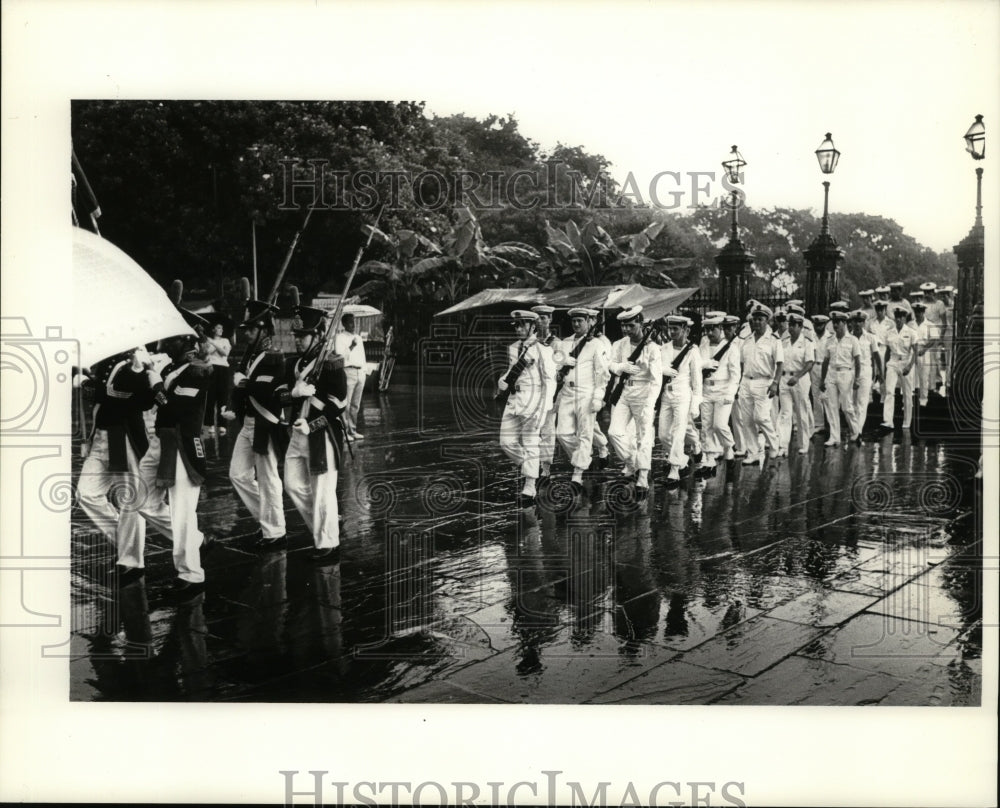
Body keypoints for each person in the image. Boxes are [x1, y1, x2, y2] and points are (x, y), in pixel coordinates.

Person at [134, 316, 213, 599]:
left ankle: (191, 575)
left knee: (182, 512)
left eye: (173, 337)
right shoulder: (172, 367)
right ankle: (197, 540)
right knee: (138, 499)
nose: (167, 341)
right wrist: (143, 372)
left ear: (188, 339)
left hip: (182, 445)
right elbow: (148, 402)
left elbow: (175, 409)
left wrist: (157, 385)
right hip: (161, 442)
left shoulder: (197, 369)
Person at [77, 349, 155, 586]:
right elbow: (100, 400)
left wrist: (94, 387)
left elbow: (139, 397)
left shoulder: (137, 362)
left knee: (131, 498)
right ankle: (126, 542)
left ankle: (132, 561)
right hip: (101, 437)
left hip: (124, 437)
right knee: (86, 493)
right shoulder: (103, 361)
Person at [282, 306, 348, 561]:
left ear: (318, 335)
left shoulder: (331, 363)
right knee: (293, 485)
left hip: (322, 434)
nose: (298, 339)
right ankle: (327, 525)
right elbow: (283, 395)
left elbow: (339, 404)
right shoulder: (296, 364)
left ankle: (328, 544)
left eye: (304, 335)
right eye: (297, 335)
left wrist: (314, 425)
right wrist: (295, 393)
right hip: (298, 432)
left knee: (322, 492)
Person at [225, 300, 288, 550]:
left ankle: (275, 532)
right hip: (248, 422)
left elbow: (266, 390)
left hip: (265, 424)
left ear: (263, 329)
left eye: (251, 329)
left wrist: (243, 384)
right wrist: (232, 405)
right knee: (237, 475)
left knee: (268, 479)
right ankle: (267, 519)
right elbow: (243, 386)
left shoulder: (273, 356)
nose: (247, 333)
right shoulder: (251, 354)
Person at [498, 310, 553, 505]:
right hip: (514, 400)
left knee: (530, 443)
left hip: (534, 401)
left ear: (532, 326)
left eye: (522, 325)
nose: (519, 329)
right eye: (516, 326)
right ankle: (532, 467)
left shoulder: (542, 349)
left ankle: (530, 485)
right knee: (505, 442)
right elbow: (511, 371)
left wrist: (544, 408)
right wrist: (502, 380)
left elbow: (550, 381)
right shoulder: (513, 348)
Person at [606, 306, 661, 494]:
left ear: (640, 323)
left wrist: (651, 402)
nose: (626, 330)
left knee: (644, 436)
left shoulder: (652, 347)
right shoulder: (620, 344)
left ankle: (643, 475)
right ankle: (632, 462)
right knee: (614, 432)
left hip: (644, 392)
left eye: (631, 325)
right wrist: (622, 367)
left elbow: (657, 380)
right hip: (624, 391)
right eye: (624, 326)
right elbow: (611, 365)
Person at [554, 307, 607, 496]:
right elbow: (555, 368)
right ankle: (585, 459)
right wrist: (561, 363)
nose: (576, 324)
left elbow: (602, 373)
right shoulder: (565, 343)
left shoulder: (596, 344)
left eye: (580, 321)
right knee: (562, 434)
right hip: (568, 392)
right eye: (574, 321)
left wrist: (598, 397)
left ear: (589, 322)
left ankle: (577, 473)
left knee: (585, 434)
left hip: (586, 392)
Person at [735, 303, 782, 465]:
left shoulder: (774, 340)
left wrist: (775, 383)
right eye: (754, 319)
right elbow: (741, 363)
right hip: (746, 381)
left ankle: (774, 444)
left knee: (761, 417)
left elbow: (780, 363)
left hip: (764, 382)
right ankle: (753, 453)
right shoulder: (746, 340)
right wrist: (740, 381)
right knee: (746, 420)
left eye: (760, 319)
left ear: (767, 321)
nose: (756, 322)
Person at [658, 314, 702, 482]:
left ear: (685, 330)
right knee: (663, 435)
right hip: (666, 395)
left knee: (679, 432)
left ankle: (675, 469)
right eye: (670, 328)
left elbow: (697, 381)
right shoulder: (664, 348)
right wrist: (663, 369)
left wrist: (695, 404)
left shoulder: (692, 351)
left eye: (675, 329)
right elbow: (656, 368)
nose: (672, 332)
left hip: (683, 395)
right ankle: (683, 457)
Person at [698, 314, 741, 472]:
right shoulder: (703, 345)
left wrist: (731, 393)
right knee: (706, 425)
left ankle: (729, 446)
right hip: (706, 389)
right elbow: (696, 365)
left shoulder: (731, 348)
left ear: (721, 328)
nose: (710, 333)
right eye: (707, 329)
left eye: (713, 329)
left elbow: (735, 375)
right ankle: (709, 458)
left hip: (723, 390)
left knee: (719, 424)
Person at [819, 311, 861, 446]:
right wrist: (822, 379)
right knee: (832, 407)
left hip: (846, 374)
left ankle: (856, 431)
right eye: (834, 322)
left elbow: (858, 361)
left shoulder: (853, 340)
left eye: (838, 322)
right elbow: (825, 361)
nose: (835, 325)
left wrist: (857, 379)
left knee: (847, 406)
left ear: (845, 323)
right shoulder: (830, 340)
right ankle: (834, 436)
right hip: (832, 374)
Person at [777, 312, 815, 455]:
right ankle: (783, 446)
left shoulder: (807, 342)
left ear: (800, 327)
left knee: (801, 413)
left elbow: (809, 363)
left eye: (794, 325)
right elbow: (779, 361)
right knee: (785, 413)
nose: (791, 328)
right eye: (790, 325)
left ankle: (804, 444)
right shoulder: (783, 342)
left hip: (800, 379)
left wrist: (798, 377)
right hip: (785, 378)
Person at [530, 305, 559, 483]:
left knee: (548, 429)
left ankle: (545, 468)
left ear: (550, 320)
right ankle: (532, 465)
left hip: (549, 390)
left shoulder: (556, 343)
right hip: (531, 391)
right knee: (532, 430)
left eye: (544, 317)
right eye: (537, 318)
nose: (540, 321)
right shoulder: (529, 341)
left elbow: (560, 366)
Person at [881, 305, 918, 430]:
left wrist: (910, 366)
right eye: (897, 317)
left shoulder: (911, 332)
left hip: (906, 362)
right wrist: (884, 368)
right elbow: (887, 351)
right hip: (892, 362)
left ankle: (906, 423)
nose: (898, 319)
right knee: (889, 391)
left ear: (905, 318)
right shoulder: (889, 332)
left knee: (907, 394)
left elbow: (916, 351)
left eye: (901, 317)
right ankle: (888, 421)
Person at [334, 313, 368, 440]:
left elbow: (362, 356)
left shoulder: (358, 337)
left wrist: (364, 370)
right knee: (346, 404)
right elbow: (339, 355)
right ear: (344, 324)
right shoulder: (340, 337)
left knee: (355, 404)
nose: (353, 325)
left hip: (360, 372)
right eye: (350, 322)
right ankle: (344, 432)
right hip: (348, 371)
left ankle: (352, 430)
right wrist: (351, 346)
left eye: (354, 322)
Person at [849, 310, 881, 437]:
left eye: (860, 321)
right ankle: (855, 428)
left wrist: (880, 373)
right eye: (855, 321)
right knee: (850, 403)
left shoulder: (870, 337)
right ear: (852, 322)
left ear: (864, 323)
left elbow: (876, 356)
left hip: (865, 371)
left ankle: (858, 431)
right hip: (850, 371)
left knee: (862, 402)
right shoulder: (848, 337)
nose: (857, 324)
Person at [588, 310, 613, 470]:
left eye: (591, 319)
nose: (589, 322)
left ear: (595, 320)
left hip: (596, 387)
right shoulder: (582, 339)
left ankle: (596, 451)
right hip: (580, 386)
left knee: (588, 422)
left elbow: (606, 369)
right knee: (589, 423)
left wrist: (603, 394)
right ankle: (600, 447)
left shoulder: (603, 341)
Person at [202, 321, 232, 435]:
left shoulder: (225, 340)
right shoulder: (207, 340)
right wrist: (211, 343)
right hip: (212, 368)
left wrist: (213, 343)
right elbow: (206, 353)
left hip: (223, 369)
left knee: (223, 396)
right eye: (219, 327)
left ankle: (222, 424)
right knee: (210, 396)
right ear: (213, 329)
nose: (221, 330)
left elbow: (225, 353)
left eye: (222, 328)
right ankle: (209, 423)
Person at [911, 301, 941, 407]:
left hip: (924, 351)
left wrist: (924, 349)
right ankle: (911, 399)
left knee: (924, 376)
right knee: (912, 376)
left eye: (920, 311)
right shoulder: (910, 324)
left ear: (924, 312)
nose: (918, 313)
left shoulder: (930, 324)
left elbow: (934, 339)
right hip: (912, 351)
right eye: (916, 311)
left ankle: (923, 400)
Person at [810, 314, 832, 436]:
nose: (818, 327)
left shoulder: (830, 337)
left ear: (824, 325)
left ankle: (831, 423)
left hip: (826, 368)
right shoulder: (811, 337)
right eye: (816, 324)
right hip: (814, 366)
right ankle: (819, 424)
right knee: (816, 397)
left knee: (827, 397)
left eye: (821, 324)